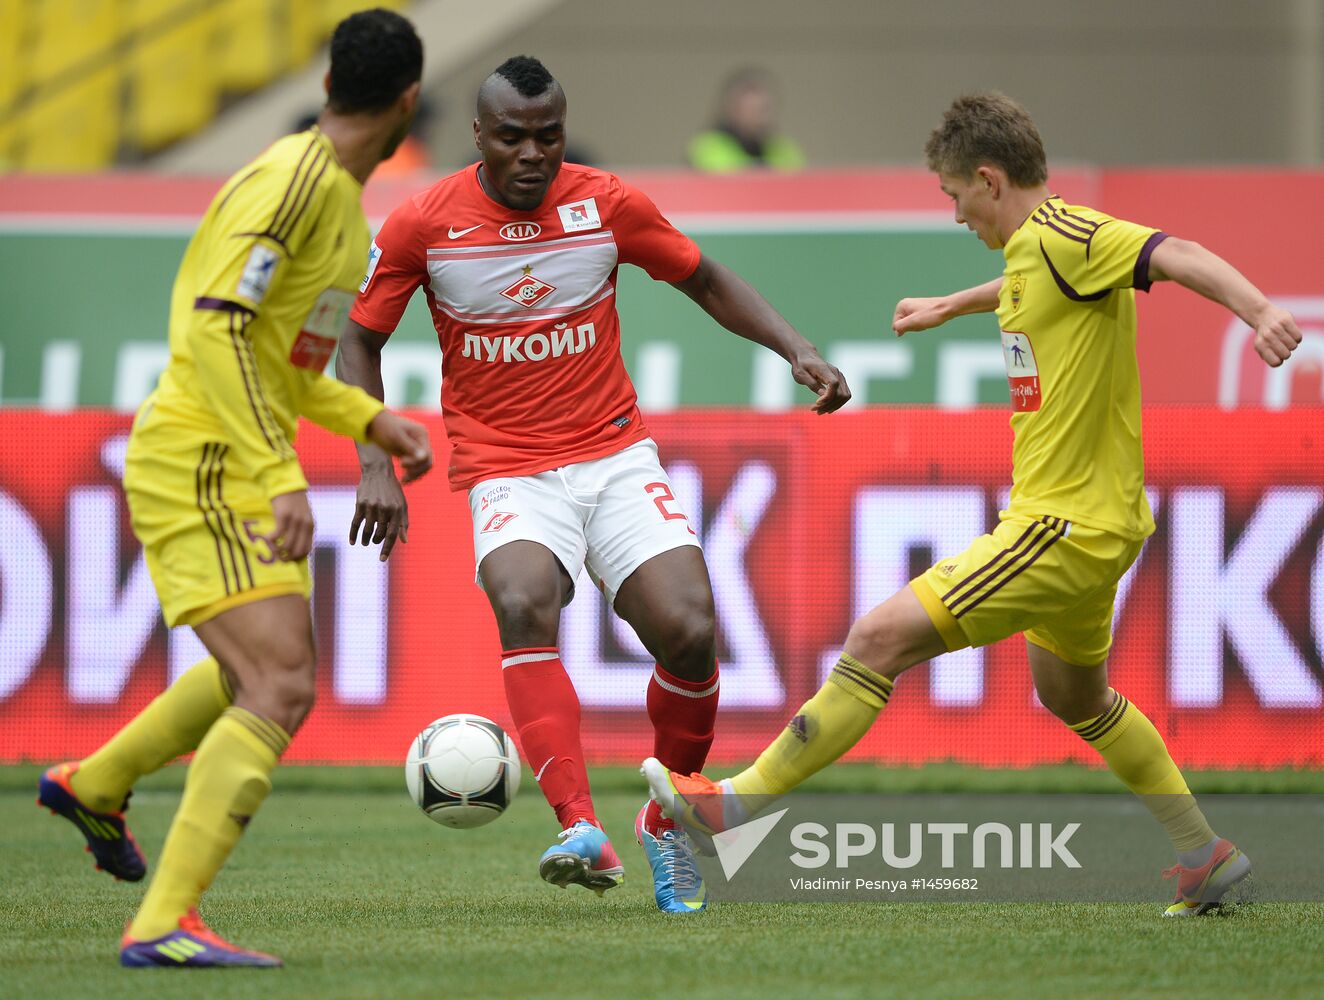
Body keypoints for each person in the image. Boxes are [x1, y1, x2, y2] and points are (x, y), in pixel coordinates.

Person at [645, 91, 1303, 917]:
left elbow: (1179, 254)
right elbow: (1026, 289)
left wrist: (1261, 310)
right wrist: (947, 306)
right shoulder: (1042, 250)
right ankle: (1203, 854)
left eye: (955, 195)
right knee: (1075, 696)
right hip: (1096, 525)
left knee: (877, 637)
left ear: (989, 180)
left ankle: (733, 805)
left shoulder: (1077, 235)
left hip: (1062, 526)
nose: (955, 213)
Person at [338, 55, 849, 914]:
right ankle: (578, 824)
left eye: (548, 135)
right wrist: (371, 459)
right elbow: (358, 340)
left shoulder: (605, 203)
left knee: (689, 631)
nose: (533, 154)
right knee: (522, 600)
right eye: (512, 138)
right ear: (478, 137)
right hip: (506, 464)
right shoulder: (423, 221)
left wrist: (795, 347)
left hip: (612, 455)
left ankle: (669, 816)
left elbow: (705, 278)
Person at [37, 9, 433, 967]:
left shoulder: (340, 213)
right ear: (409, 101)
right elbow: (217, 330)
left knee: (259, 666)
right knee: (281, 677)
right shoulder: (294, 185)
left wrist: (366, 419)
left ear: (335, 79)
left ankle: (97, 783)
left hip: (230, 456)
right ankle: (164, 924)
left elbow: (287, 363)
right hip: (202, 462)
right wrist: (282, 472)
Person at [687, 67, 805, 173]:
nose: (759, 118)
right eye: (751, 110)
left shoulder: (783, 149)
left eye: (763, 109)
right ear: (732, 109)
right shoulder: (708, 146)